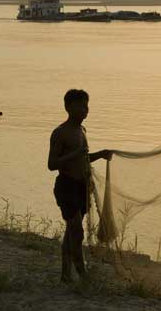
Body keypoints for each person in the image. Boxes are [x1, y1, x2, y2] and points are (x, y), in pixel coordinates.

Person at [48, 89, 113, 283]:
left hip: (82, 186)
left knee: (71, 232)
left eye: (86, 105)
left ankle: (65, 275)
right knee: (77, 231)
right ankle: (82, 273)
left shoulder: (82, 131)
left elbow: (83, 158)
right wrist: (75, 154)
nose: (85, 109)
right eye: (80, 105)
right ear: (68, 107)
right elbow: (52, 164)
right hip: (67, 185)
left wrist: (99, 154)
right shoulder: (60, 133)